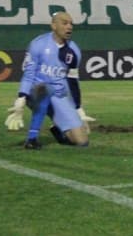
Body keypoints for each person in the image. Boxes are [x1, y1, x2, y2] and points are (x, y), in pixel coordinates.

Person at [5, 12, 94, 149]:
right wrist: (22, 97)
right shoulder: (38, 44)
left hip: (59, 96)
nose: (69, 27)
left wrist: (78, 108)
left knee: (81, 141)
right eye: (65, 23)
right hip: (37, 91)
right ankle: (32, 140)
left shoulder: (73, 50)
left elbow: (73, 81)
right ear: (53, 25)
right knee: (45, 89)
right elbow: (29, 74)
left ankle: (58, 130)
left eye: (71, 24)